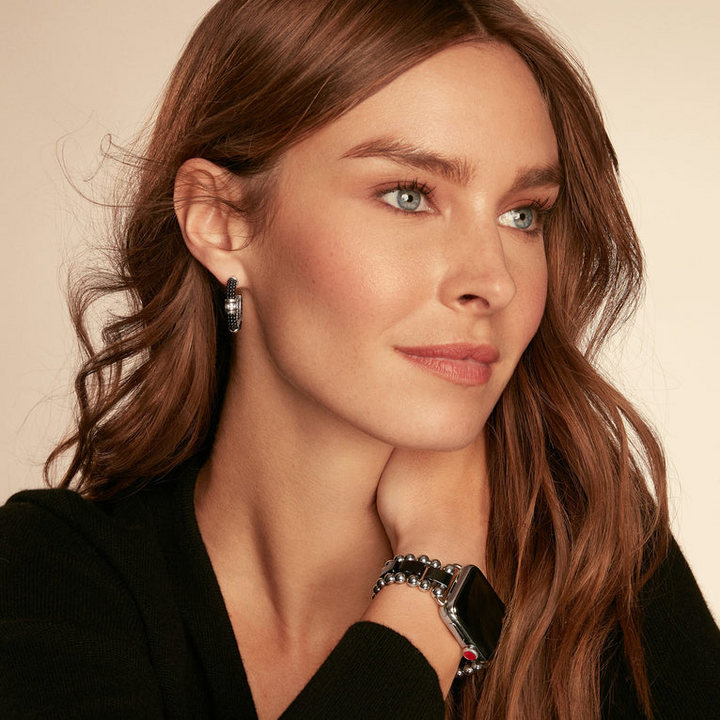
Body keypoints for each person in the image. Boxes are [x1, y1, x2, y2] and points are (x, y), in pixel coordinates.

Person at [1, 0, 718, 718]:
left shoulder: (603, 563)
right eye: (409, 195)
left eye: (522, 214)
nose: (493, 279)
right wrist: (433, 588)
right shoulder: (52, 578)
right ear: (220, 221)